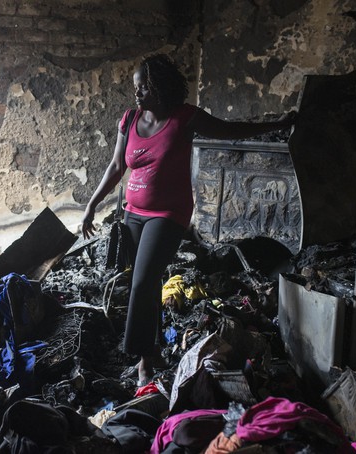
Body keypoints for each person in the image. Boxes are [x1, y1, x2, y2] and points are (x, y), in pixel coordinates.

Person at [81, 54, 295, 386]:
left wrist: (277, 125)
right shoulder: (129, 119)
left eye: (143, 88)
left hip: (168, 214)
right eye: (135, 88)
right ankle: (147, 354)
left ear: (159, 87)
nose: (136, 94)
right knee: (145, 282)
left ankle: (143, 366)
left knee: (142, 281)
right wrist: (92, 204)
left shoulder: (185, 118)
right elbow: (115, 167)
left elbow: (231, 130)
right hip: (133, 213)